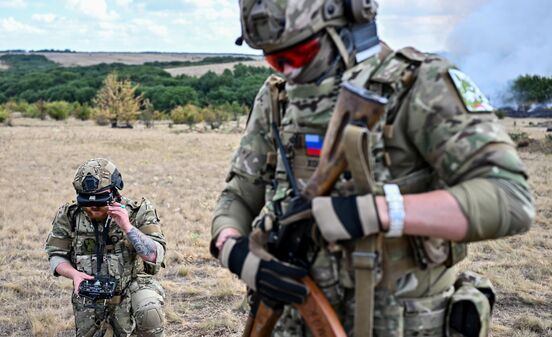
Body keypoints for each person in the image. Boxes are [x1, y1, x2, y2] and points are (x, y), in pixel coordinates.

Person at [210, 1, 535, 336]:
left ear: (350, 22)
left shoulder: (421, 86)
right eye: (277, 60)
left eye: (300, 56)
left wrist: (376, 212)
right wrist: (236, 252)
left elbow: (510, 199)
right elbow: (237, 197)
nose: (289, 73)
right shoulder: (276, 98)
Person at [45, 158, 166, 337]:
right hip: (90, 291)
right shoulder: (69, 214)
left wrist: (127, 227)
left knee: (149, 312)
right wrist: (74, 274)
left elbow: (156, 255)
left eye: (100, 201)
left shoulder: (139, 211)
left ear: (114, 192)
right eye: (87, 203)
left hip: (131, 286)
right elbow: (55, 255)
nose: (93, 208)